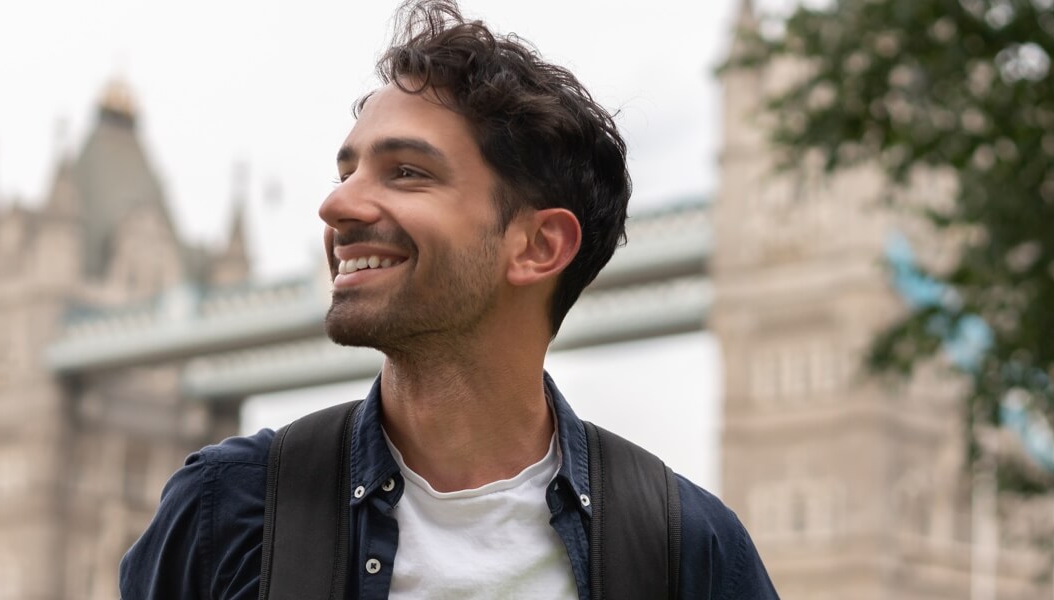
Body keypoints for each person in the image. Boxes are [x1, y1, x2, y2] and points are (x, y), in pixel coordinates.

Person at [120, 1, 778, 597]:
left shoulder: (691, 550)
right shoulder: (226, 508)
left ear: (538, 246)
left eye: (406, 171)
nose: (336, 204)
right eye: (347, 171)